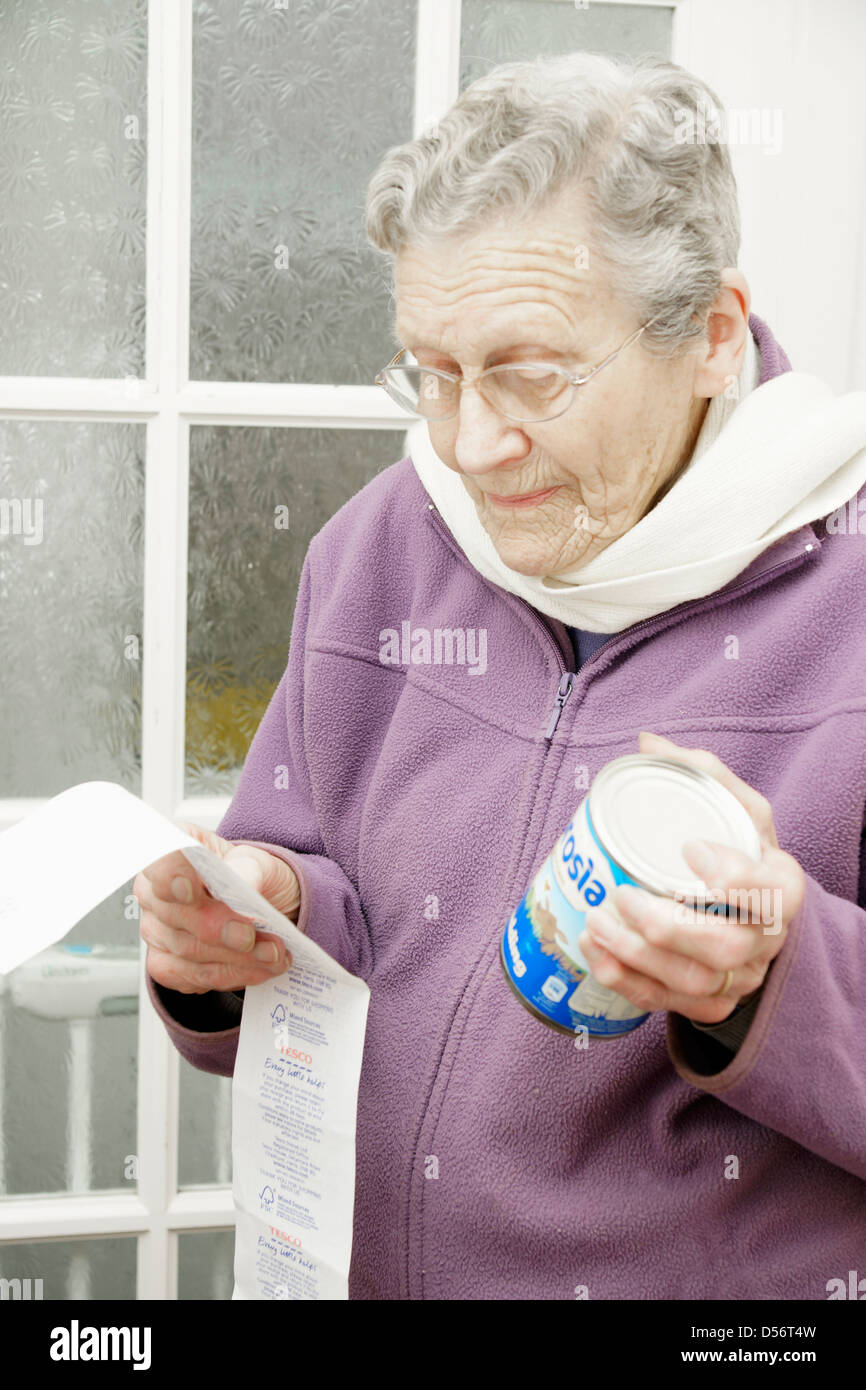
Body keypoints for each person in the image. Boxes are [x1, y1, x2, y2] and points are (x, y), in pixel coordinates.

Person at [135, 52, 866, 1299]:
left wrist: (777, 979)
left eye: (530, 373)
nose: (471, 445)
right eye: (432, 372)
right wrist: (254, 925)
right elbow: (334, 927)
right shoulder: (375, 548)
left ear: (708, 334)